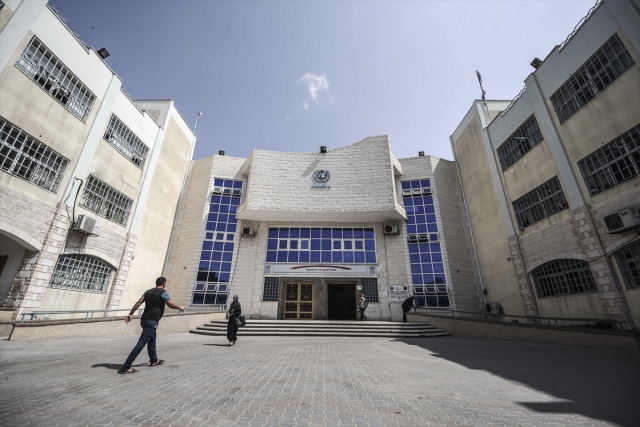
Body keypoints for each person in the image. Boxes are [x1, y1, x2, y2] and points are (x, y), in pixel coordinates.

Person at [118, 277, 184, 374]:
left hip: (144, 320)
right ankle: (126, 367)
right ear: (164, 283)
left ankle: (154, 360)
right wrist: (180, 307)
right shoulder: (163, 292)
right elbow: (170, 304)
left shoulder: (148, 292)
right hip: (152, 321)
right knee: (141, 343)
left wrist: (131, 314)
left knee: (152, 339)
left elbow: (138, 303)